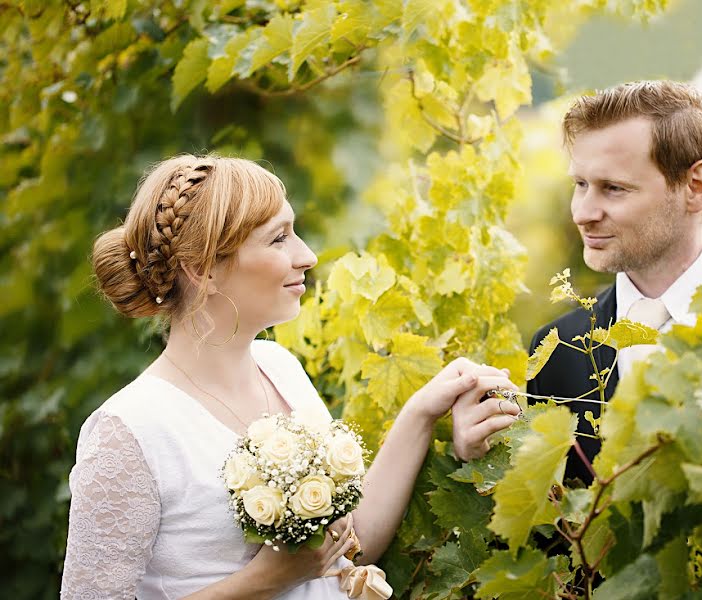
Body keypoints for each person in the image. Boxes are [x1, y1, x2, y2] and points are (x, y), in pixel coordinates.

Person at [60, 155, 522, 599]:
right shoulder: (129, 431)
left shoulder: (279, 368)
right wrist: (265, 581)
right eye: (279, 239)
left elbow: (347, 542)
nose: (308, 256)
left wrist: (423, 409)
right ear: (202, 270)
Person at [528, 81, 702, 485]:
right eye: (580, 184)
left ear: (695, 187)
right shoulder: (556, 353)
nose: (583, 213)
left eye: (613, 188)